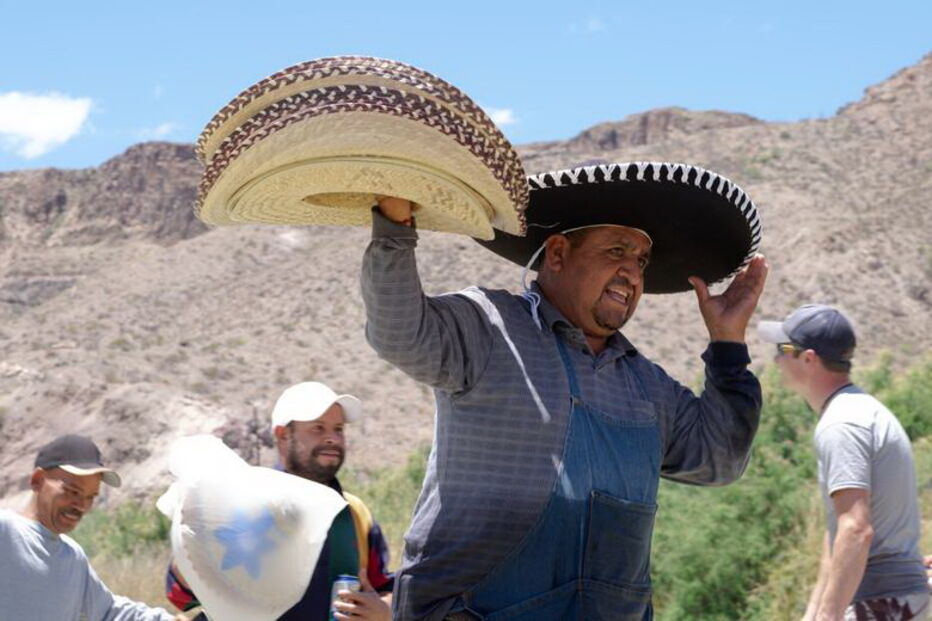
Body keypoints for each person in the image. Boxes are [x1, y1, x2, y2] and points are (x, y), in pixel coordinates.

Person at [362, 160, 769, 620]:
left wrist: (728, 342)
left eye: (641, 261)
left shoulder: (648, 388)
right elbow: (398, 333)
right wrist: (394, 223)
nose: (633, 274)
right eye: (616, 251)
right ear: (557, 253)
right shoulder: (489, 328)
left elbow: (721, 460)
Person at [165, 381, 393, 621]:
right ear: (283, 435)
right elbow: (180, 596)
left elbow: (384, 587)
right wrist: (198, 540)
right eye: (318, 428)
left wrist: (384, 610)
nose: (331, 438)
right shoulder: (243, 504)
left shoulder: (354, 512)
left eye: (338, 429)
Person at [758, 304, 929, 620]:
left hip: (880, 603)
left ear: (808, 358)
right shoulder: (859, 410)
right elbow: (839, 530)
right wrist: (814, 612)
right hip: (893, 600)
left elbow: (855, 529)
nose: (776, 360)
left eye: (783, 349)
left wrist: (828, 615)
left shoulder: (842, 424)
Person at [0, 434, 185, 621]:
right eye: (73, 491)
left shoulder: (72, 556)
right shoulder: (6, 530)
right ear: (38, 480)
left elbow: (109, 611)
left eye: (90, 497)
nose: (81, 505)